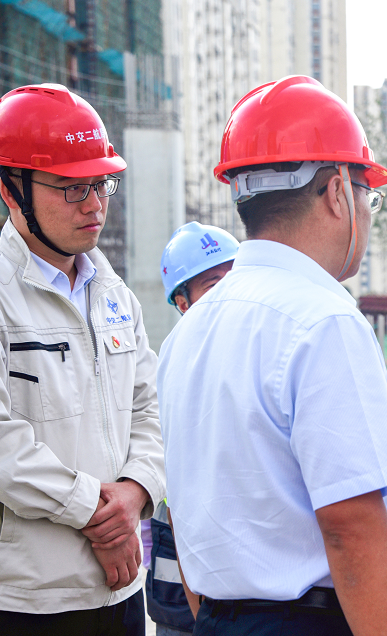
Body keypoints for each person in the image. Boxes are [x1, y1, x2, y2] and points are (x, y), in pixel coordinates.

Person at [157, 75, 387, 636]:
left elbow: (183, 515)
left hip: (217, 621)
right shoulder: (324, 321)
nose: (366, 211)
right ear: (338, 192)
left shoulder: (185, 335)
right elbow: (351, 528)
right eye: (367, 195)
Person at [0, 84, 164, 635]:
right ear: (11, 190)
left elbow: (152, 410)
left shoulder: (114, 295)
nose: (94, 205)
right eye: (72, 188)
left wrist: (136, 492)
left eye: (101, 184)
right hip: (28, 600)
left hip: (123, 593)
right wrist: (97, 513)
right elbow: (1, 445)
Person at [145, 222, 240, 635]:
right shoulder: (174, 363)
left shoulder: (257, 345)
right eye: (213, 284)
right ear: (182, 302)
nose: (229, 292)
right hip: (185, 577)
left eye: (235, 277)